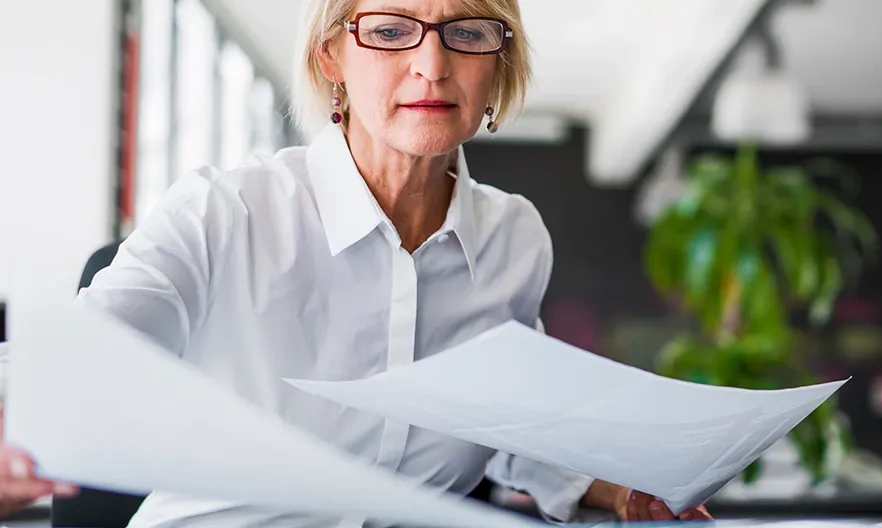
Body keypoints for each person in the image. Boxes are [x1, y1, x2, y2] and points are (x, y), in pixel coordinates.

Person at [0, 0, 715, 525]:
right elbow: (74, 360)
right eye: (389, 30)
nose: (431, 65)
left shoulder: (514, 239)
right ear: (331, 58)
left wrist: (613, 489)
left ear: (498, 65)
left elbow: (502, 422)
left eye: (466, 33)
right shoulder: (226, 212)